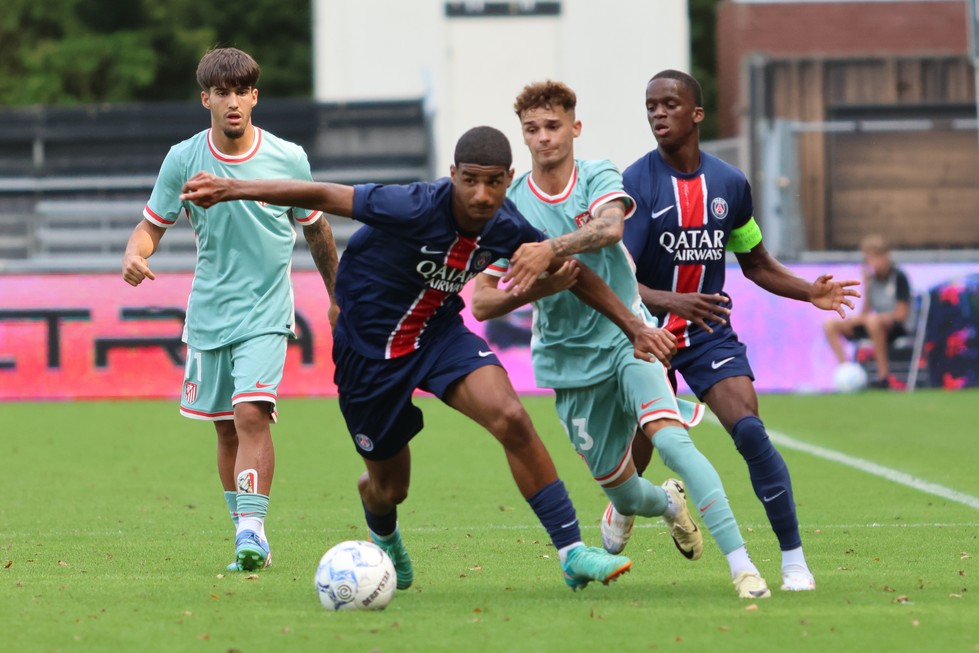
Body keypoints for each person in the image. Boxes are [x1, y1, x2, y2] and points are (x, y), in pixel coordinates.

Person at [179, 125, 677, 592]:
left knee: (511, 417)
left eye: (494, 183)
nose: (482, 195)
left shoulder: (506, 226)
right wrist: (233, 188)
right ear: (453, 176)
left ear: (508, 180)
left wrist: (634, 326)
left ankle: (571, 552)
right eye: (471, 182)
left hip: (439, 337)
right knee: (389, 487)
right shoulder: (412, 204)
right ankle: (386, 539)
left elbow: (575, 271)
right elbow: (327, 196)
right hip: (368, 356)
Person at [470, 80, 772, 599]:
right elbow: (481, 301)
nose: (544, 138)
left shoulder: (598, 175)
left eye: (553, 126)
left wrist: (552, 249)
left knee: (673, 440)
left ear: (574, 128)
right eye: (532, 130)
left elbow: (610, 229)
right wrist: (536, 283)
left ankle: (744, 568)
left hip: (628, 337)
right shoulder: (510, 208)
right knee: (627, 493)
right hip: (568, 364)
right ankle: (669, 504)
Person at [619, 69, 861, 591]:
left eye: (669, 104)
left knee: (750, 431)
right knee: (635, 455)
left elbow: (755, 262)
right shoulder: (635, 184)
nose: (658, 114)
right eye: (651, 106)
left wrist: (807, 291)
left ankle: (794, 561)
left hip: (708, 333)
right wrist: (669, 299)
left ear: (697, 114)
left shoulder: (730, 185)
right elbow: (624, 277)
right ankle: (625, 508)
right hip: (648, 333)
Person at [121, 47, 340, 572]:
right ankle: (244, 529)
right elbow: (151, 225)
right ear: (207, 99)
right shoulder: (184, 158)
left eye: (243, 91)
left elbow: (317, 228)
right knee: (224, 426)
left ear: (255, 97)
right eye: (223, 92)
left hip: (267, 311)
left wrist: (339, 296)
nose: (234, 102)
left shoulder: (288, 158)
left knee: (251, 413)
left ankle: (252, 530)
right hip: (209, 313)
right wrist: (134, 253)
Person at [823, 234, 911, 390]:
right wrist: (857, 319)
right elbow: (865, 311)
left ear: (886, 256)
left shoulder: (899, 277)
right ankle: (847, 371)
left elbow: (901, 314)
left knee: (873, 322)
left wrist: (873, 318)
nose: (872, 263)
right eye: (868, 259)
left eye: (875, 258)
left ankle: (883, 377)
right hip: (873, 324)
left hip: (895, 328)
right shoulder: (872, 280)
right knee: (830, 324)